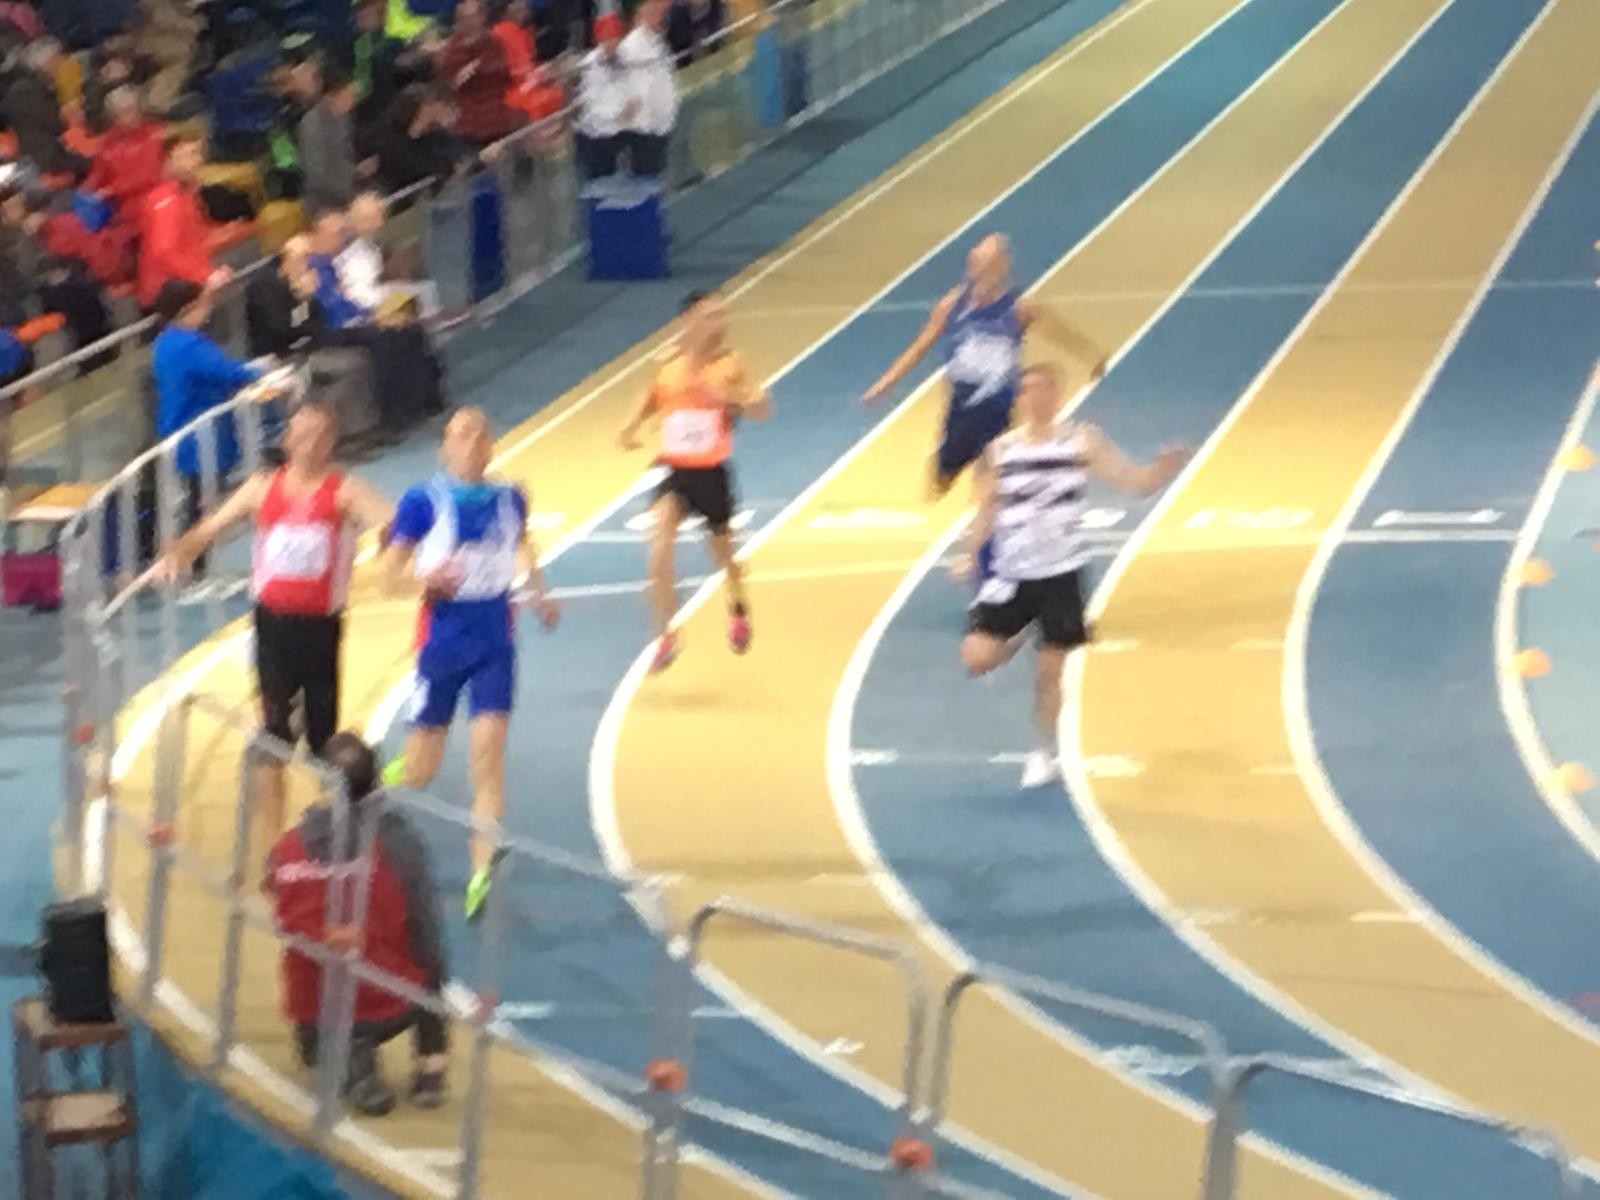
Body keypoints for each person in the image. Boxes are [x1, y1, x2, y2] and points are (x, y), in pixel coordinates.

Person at [157, 401, 393, 843]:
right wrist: (180, 551)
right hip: (272, 628)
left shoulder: (346, 491)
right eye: (301, 433)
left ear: (331, 442)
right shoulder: (261, 488)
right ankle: (273, 846)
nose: (309, 443)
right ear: (287, 439)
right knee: (272, 737)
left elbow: (394, 522)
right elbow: (211, 528)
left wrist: (398, 549)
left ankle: (338, 836)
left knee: (325, 741)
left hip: (320, 629)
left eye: (319, 435)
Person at [959, 364, 1187, 788]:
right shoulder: (1002, 449)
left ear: (1057, 395)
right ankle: (1024, 632)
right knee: (976, 658)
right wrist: (971, 556)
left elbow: (1133, 481)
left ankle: (1044, 751)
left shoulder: (1081, 441)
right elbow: (987, 505)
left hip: (1060, 575)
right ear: (1020, 399)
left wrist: (1161, 468)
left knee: (1050, 673)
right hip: (1011, 574)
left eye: (1045, 389)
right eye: (1029, 390)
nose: (1037, 397)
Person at [382, 408, 559, 919]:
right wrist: (425, 580)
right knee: (422, 769)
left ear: (492, 444)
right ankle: (368, 791)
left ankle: (481, 867)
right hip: (441, 643)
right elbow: (389, 576)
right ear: (445, 446)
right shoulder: (423, 501)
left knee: (487, 760)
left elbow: (522, 545)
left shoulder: (512, 498)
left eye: (482, 433)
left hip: (494, 643)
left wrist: (538, 592)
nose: (473, 442)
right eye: (462, 434)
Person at [265, 732, 450, 1117]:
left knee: (319, 960)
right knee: (430, 965)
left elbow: (273, 894)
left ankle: (343, 1053)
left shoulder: (288, 847)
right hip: (383, 998)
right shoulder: (399, 842)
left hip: (311, 1010)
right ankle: (429, 1070)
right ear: (376, 780)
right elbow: (426, 931)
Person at [864, 233, 1107, 500]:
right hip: (961, 412)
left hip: (999, 412)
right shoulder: (951, 306)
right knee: (939, 484)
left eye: (992, 265)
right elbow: (920, 346)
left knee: (995, 483)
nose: (985, 272)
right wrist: (887, 382)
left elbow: (1060, 332)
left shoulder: (1019, 307)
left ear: (1003, 266)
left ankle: (985, 516)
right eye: (980, 264)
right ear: (971, 267)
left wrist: (1092, 355)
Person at [618, 289, 769, 671]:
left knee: (724, 557)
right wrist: (630, 426)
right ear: (688, 322)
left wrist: (728, 397)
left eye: (722, 316)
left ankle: (737, 604)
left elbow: (762, 408)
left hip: (712, 474)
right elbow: (652, 397)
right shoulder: (667, 365)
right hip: (674, 471)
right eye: (710, 317)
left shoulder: (729, 364)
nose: (719, 324)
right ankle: (665, 635)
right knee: (658, 553)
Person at [150, 277, 267, 581]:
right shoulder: (187, 344)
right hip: (198, 437)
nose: (209, 308)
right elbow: (225, 371)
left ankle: (190, 568)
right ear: (188, 307)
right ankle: (192, 570)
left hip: (186, 432)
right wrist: (261, 370)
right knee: (201, 507)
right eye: (204, 303)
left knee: (197, 504)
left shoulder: (167, 341)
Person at [138, 132, 231, 311]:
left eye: (197, 154)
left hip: (187, 286)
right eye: (187, 155)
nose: (195, 161)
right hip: (169, 295)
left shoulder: (186, 194)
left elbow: (193, 239)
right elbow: (165, 252)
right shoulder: (166, 199)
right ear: (168, 161)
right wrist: (205, 275)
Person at [620, 0, 677, 178]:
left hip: (661, 126)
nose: (659, 13)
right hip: (643, 132)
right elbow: (632, 90)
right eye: (653, 8)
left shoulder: (658, 41)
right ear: (641, 12)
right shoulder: (631, 47)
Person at [574, 9, 630, 180]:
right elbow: (590, 105)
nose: (612, 43)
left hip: (619, 131)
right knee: (599, 182)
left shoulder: (625, 57)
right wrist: (616, 113)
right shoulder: (589, 66)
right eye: (607, 38)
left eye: (615, 37)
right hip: (595, 136)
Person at [299, 65, 362, 215]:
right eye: (347, 96)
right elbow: (317, 173)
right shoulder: (312, 125)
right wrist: (349, 194)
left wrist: (357, 171)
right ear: (330, 97)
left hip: (348, 191)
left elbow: (347, 154)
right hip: (324, 203)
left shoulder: (345, 118)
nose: (352, 100)